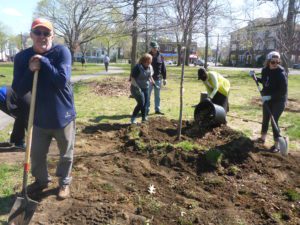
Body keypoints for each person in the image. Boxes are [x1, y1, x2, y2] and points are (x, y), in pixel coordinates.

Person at [12, 18, 76, 200]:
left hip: (63, 115)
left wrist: (44, 62)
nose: (42, 36)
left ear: (52, 35)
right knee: (37, 154)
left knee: (66, 153)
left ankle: (64, 182)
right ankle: (41, 180)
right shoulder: (22, 57)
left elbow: (62, 80)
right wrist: (30, 70)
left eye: (46, 33)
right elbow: (18, 89)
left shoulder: (62, 52)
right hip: (38, 117)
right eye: (38, 32)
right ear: (31, 35)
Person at [250, 51, 288, 152]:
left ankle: (277, 145)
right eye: (273, 62)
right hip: (267, 98)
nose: (275, 64)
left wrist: (269, 97)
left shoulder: (281, 74)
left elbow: (283, 91)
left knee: (274, 120)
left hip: (279, 100)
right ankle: (262, 138)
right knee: (265, 118)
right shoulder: (265, 70)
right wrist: (255, 78)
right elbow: (265, 81)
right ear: (268, 61)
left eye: (277, 62)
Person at [130, 53, 155, 124]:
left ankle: (144, 118)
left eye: (150, 62)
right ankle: (133, 118)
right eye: (148, 62)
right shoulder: (137, 67)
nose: (149, 63)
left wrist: (152, 81)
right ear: (143, 61)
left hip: (145, 87)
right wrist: (137, 87)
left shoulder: (150, 67)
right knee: (141, 103)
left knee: (146, 103)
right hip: (136, 88)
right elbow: (132, 78)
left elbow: (149, 75)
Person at [147, 41, 167, 115]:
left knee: (157, 96)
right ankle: (146, 110)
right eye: (153, 47)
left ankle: (157, 109)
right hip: (149, 79)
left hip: (158, 79)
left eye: (156, 47)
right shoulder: (147, 56)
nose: (155, 49)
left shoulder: (161, 56)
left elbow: (163, 68)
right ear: (151, 48)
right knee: (147, 95)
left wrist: (165, 78)